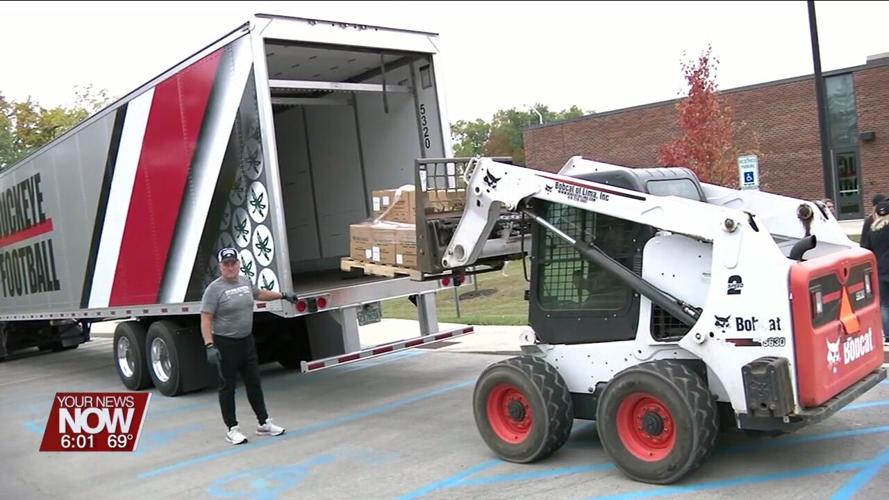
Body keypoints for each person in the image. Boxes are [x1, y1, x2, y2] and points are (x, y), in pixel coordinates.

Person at [201, 247, 298, 445]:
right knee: (227, 387)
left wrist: (282, 295)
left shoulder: (245, 281)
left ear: (238, 264)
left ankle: (263, 423)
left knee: (254, 383)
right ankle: (232, 428)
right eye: (226, 264)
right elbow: (206, 318)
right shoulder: (214, 289)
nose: (230, 267)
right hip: (226, 344)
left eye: (233, 263)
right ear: (220, 267)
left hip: (247, 341)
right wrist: (209, 345)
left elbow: (259, 294)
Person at [859, 201, 889, 344]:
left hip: (880, 271)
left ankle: (888, 335)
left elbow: (865, 248)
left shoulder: (872, 231)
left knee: (884, 304)